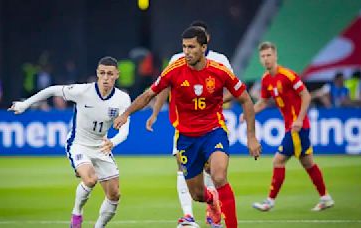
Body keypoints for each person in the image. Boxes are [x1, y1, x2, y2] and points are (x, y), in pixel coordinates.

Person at [114, 26, 261, 228]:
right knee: (198, 194)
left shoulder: (219, 70)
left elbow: (245, 99)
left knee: (219, 176)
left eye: (191, 47)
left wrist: (251, 137)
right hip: (186, 138)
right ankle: (211, 201)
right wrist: (126, 113)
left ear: (203, 47)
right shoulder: (174, 70)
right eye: (184, 47)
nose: (187, 51)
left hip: (213, 131)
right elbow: (150, 94)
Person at [8, 56, 131, 228]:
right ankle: (76, 213)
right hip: (78, 143)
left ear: (117, 75)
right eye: (102, 73)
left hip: (102, 146)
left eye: (110, 74)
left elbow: (125, 129)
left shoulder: (122, 99)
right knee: (90, 179)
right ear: (97, 73)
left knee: (115, 194)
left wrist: (113, 141)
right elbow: (51, 90)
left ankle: (99, 226)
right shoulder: (82, 91)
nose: (105, 77)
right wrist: (24, 105)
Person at [145, 20, 235, 227]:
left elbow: (232, 89)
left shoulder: (220, 61)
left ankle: (211, 210)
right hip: (184, 126)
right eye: (186, 44)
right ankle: (188, 215)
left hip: (211, 125)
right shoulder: (178, 60)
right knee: (181, 166)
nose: (188, 49)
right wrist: (156, 112)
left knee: (213, 170)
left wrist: (212, 101)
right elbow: (164, 87)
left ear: (206, 40)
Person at [244, 41, 334, 212]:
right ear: (260, 59)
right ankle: (325, 198)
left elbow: (306, 96)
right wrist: (249, 113)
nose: (266, 59)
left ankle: (269, 202)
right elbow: (263, 102)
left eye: (269, 55)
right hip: (292, 128)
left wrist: (299, 120)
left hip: (297, 128)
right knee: (308, 163)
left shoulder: (288, 75)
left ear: (275, 56)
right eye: (263, 56)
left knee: (278, 160)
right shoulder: (265, 80)